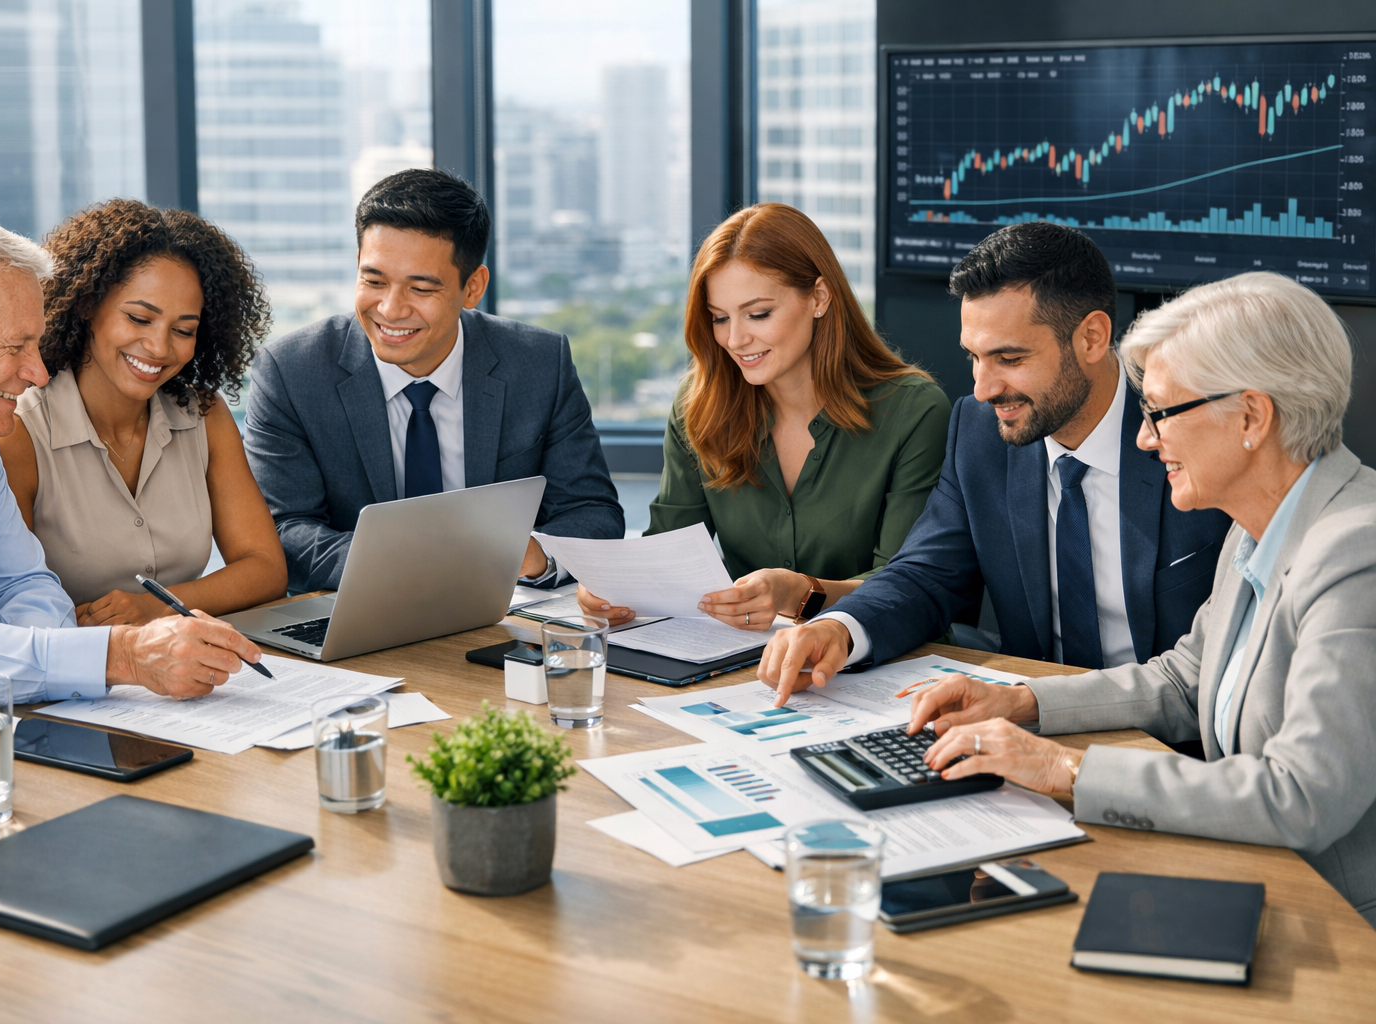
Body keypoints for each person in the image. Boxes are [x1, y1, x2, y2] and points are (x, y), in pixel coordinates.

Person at [904, 272, 1376, 926]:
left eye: (1161, 412)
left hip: (1335, 928)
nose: (1145, 439)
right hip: (1248, 874)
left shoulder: (1357, 554)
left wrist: (1066, 770)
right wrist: (1023, 702)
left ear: (1251, 415)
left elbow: (1299, 797)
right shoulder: (1260, 519)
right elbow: (1188, 679)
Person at [760, 221, 1233, 702]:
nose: (983, 389)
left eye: (1009, 359)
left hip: (1167, 739)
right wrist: (841, 629)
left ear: (1092, 338)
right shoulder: (980, 430)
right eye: (973, 357)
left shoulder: (1191, 432)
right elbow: (926, 574)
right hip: (1024, 722)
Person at [0, 216, 263, 721]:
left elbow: (23, 586)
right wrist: (123, 655)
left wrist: (46, 664)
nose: (37, 371)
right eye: (16, 346)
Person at [244, 168, 623, 593]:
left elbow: (593, 511)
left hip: (505, 611)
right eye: (374, 280)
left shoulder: (538, 363)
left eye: (420, 289)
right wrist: (419, 566)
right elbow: (284, 528)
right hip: (360, 607)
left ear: (473, 287)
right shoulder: (291, 372)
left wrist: (534, 552)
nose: (390, 309)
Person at [577, 203, 950, 630]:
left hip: (883, 662)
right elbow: (669, 553)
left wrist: (798, 593)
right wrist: (617, 586)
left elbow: (906, 587)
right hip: (744, 664)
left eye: (758, 314)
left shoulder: (914, 412)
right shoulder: (697, 405)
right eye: (719, 318)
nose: (735, 339)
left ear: (819, 298)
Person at [0, 199, 286, 625]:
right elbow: (7, 601)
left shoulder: (203, 414)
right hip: (76, 674)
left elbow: (265, 569)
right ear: (87, 304)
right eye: (138, 318)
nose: (160, 347)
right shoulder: (18, 429)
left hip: (186, 668)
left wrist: (160, 605)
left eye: (184, 330)